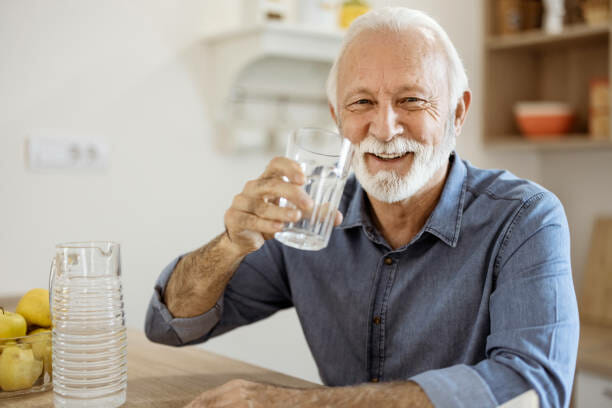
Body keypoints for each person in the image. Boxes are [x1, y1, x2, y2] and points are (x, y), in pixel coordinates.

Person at [145, 7, 579, 408]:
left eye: (411, 100)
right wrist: (229, 245)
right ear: (338, 119)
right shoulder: (309, 216)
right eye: (362, 103)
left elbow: (532, 389)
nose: (385, 128)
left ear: (457, 113)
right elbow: (170, 326)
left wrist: (300, 404)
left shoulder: (526, 217)